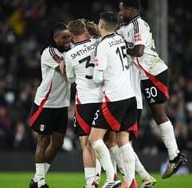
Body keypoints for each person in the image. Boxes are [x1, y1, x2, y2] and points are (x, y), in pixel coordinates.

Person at [118, 0, 187, 179]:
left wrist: (122, 48)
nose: (120, 12)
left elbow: (139, 51)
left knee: (159, 114)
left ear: (132, 9)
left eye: (123, 9)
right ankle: (174, 155)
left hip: (154, 72)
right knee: (157, 115)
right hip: (146, 75)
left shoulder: (138, 25)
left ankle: (175, 155)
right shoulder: (128, 26)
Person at [88, 11, 138, 188]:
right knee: (123, 141)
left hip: (114, 98)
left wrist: (94, 69)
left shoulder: (102, 46)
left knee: (94, 139)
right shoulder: (120, 39)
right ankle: (130, 182)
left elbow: (97, 78)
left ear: (101, 25)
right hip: (129, 96)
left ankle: (111, 178)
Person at [28, 22, 71, 188]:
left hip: (61, 105)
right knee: (43, 141)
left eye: (69, 36)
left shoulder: (69, 50)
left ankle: (37, 179)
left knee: (58, 142)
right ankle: (40, 182)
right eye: (64, 37)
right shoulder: (49, 52)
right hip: (46, 103)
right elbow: (65, 69)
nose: (68, 40)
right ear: (55, 38)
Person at [65, 19, 101, 188]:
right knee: (106, 142)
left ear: (71, 35)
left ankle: (91, 183)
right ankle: (112, 178)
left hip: (85, 101)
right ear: (85, 30)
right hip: (103, 99)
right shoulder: (97, 44)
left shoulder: (70, 55)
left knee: (86, 143)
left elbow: (71, 78)